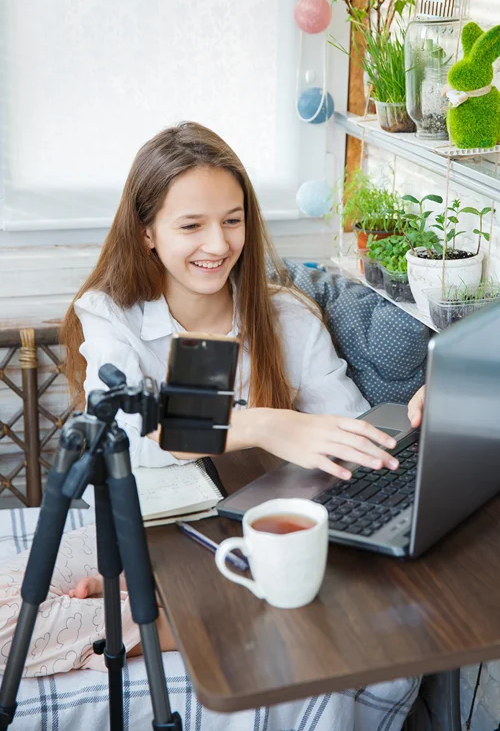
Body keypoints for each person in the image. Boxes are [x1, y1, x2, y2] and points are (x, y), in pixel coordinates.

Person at [1, 122, 404, 680]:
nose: (218, 245)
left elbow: (355, 429)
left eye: (232, 221)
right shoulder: (111, 313)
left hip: (241, 539)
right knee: (6, 628)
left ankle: (171, 624)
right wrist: (265, 424)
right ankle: (172, 609)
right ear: (147, 231)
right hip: (138, 534)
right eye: (191, 225)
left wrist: (415, 415)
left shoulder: (285, 317)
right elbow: (136, 423)